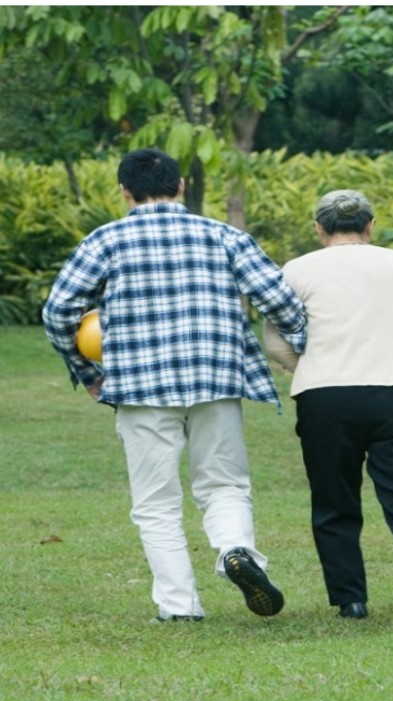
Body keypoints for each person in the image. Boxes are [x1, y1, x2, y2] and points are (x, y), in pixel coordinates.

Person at [42, 147, 307, 623]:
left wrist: (90, 374)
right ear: (181, 186)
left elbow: (58, 312)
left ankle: (179, 607)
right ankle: (234, 551)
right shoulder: (223, 235)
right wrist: (302, 348)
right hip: (216, 377)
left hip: (140, 387)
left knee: (156, 502)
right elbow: (280, 300)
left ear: (125, 192)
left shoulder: (104, 241)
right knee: (224, 484)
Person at [263, 189, 393, 627]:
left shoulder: (297, 269)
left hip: (324, 396)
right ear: (370, 226)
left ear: (319, 229)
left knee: (334, 499)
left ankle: (351, 600)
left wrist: (304, 368)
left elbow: (273, 339)